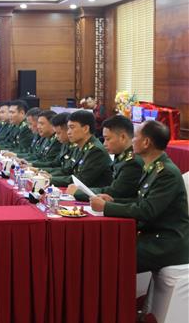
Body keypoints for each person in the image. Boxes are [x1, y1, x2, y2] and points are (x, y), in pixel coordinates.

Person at [90, 120, 189, 272]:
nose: (132, 140)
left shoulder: (166, 173)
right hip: (151, 235)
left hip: (165, 242)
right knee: (102, 246)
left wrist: (107, 207)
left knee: (108, 258)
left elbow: (147, 210)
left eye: (135, 137)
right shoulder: (152, 166)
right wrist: (113, 201)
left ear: (146, 142)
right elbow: (141, 201)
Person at [68, 115, 143, 202]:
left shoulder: (132, 162)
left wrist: (79, 192)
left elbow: (114, 192)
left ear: (123, 137)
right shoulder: (121, 156)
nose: (104, 144)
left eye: (108, 139)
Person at [46, 110, 112, 188]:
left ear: (85, 129)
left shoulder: (96, 151)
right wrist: (48, 175)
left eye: (72, 127)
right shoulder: (79, 146)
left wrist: (51, 179)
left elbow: (81, 180)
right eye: (68, 128)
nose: (68, 132)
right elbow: (68, 171)